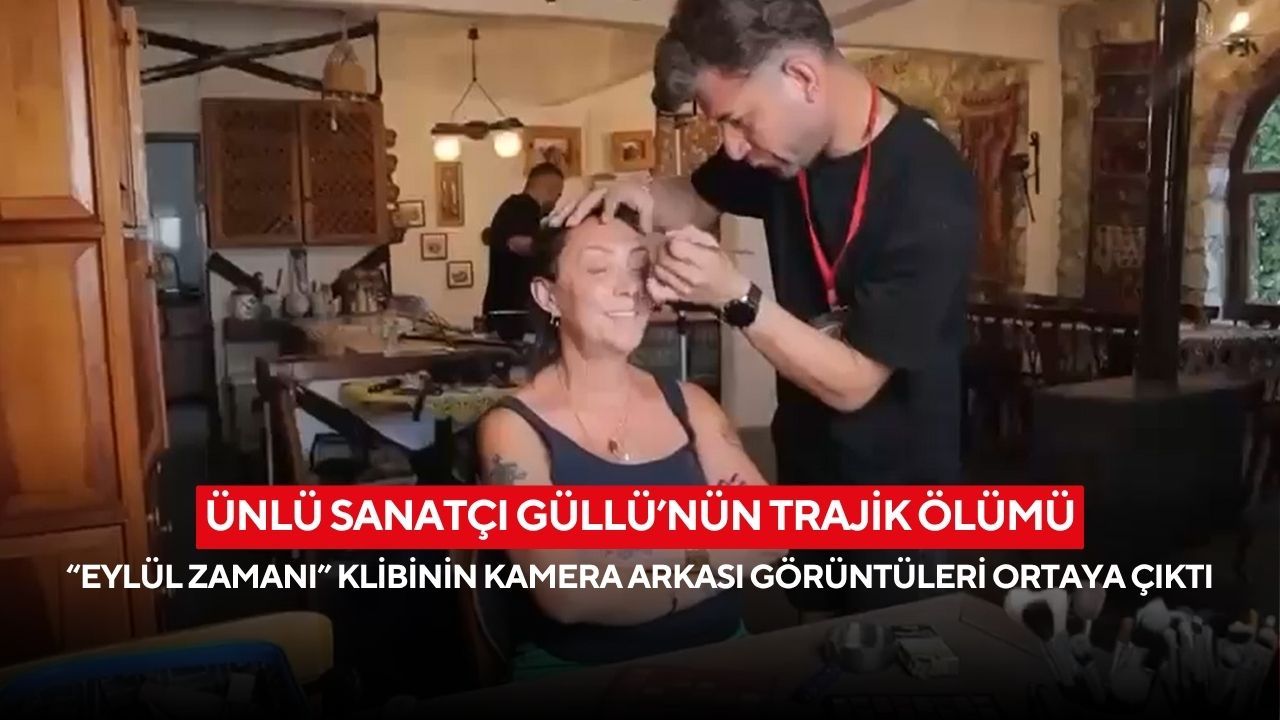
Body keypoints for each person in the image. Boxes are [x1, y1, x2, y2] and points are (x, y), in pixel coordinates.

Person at [548, 0, 978, 618]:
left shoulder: (929, 187)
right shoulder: (780, 144)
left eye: (739, 122)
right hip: (807, 475)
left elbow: (855, 383)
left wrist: (735, 297)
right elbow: (693, 198)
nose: (733, 147)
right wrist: (629, 191)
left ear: (802, 77)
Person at [475, 206, 784, 679]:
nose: (628, 287)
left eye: (638, 267)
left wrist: (627, 566)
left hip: (725, 657)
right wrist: (706, 552)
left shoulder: (691, 403)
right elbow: (567, 594)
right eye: (599, 269)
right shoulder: (511, 428)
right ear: (548, 295)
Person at [481, 162, 566, 319]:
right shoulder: (522, 206)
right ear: (550, 188)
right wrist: (557, 246)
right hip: (513, 310)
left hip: (507, 309)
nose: (556, 201)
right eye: (558, 194)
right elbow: (516, 243)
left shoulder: (518, 209)